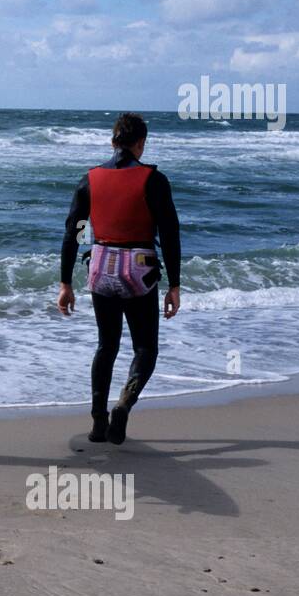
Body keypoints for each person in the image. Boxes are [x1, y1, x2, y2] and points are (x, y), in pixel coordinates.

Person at [57, 113, 181, 445]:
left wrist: (65, 282)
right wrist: (174, 285)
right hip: (139, 270)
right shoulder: (154, 181)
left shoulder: (89, 180)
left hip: (100, 267)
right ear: (141, 143)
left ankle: (98, 422)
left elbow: (76, 233)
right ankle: (124, 403)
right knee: (145, 347)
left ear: (112, 142)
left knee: (106, 346)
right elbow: (169, 235)